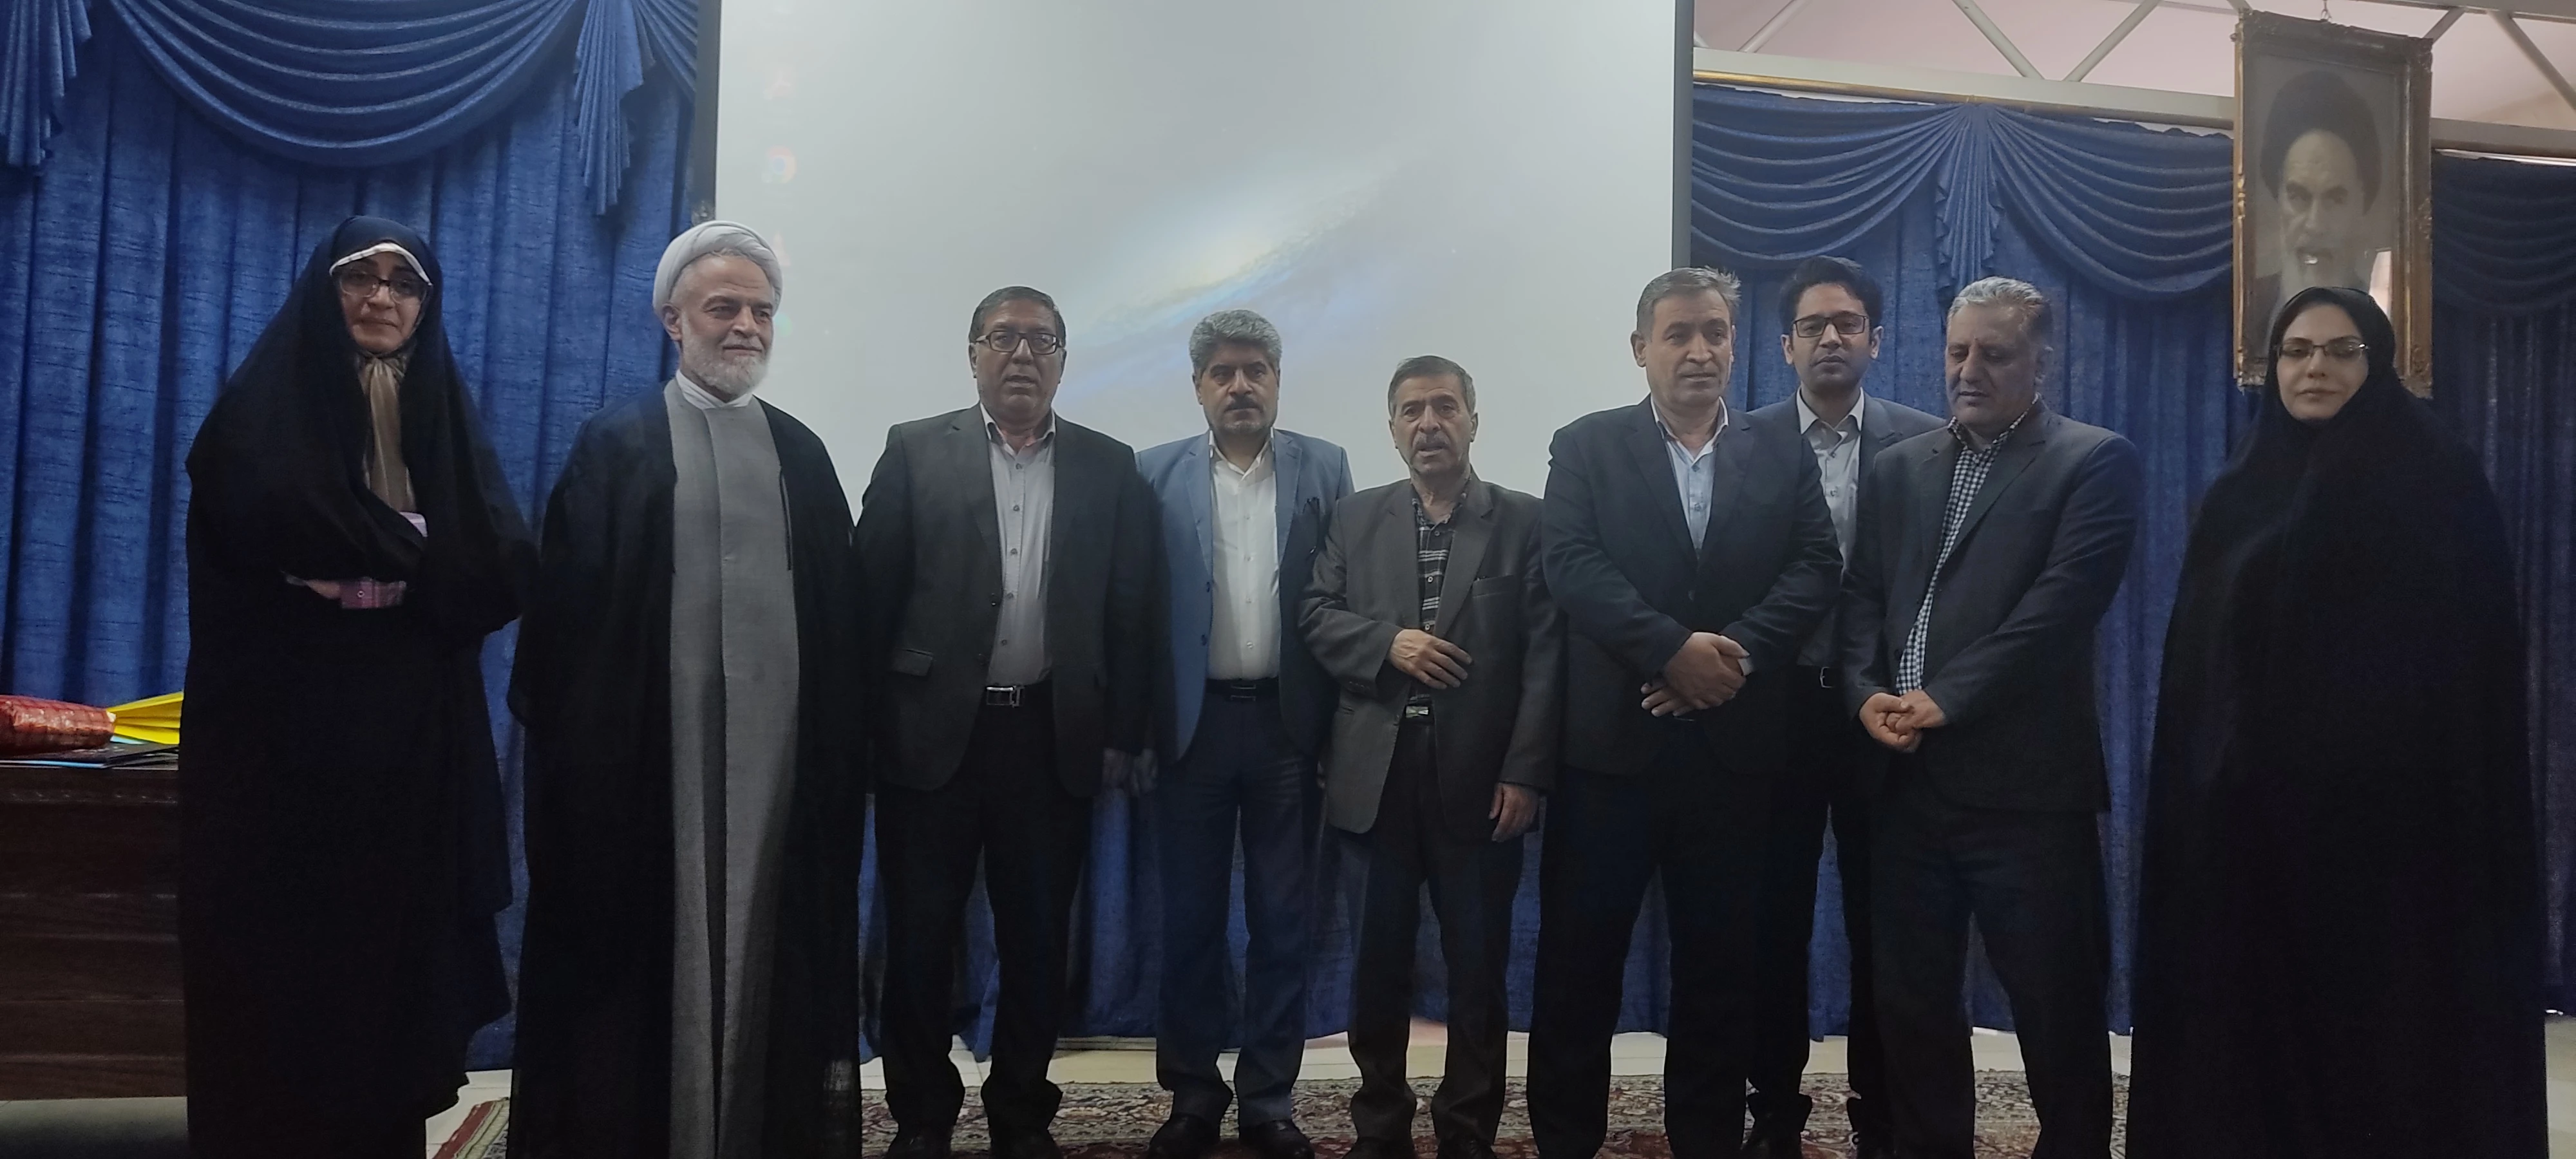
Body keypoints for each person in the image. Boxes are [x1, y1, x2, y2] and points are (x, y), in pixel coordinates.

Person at [2126, 287, 2545, 1158]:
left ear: (2378, 363)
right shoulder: (2239, 491)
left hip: (2394, 841)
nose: (2315, 368)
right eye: (2296, 350)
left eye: (2341, 350)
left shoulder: (2438, 481)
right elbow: (2201, 673)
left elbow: (2466, 677)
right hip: (2251, 833)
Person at [507, 221, 863, 1158]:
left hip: (780, 770)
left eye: (762, 312)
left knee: (771, 948)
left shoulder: (802, 456)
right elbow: (564, 633)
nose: (746, 326)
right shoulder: (616, 446)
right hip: (646, 773)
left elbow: (841, 628)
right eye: (724, 308)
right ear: (674, 320)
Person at [180, 216, 531, 1157]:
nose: (381, 298)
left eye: (404, 284)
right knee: (286, 977)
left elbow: (499, 565)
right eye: (360, 278)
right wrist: (418, 549)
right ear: (323, 289)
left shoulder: (441, 409)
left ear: (427, 305)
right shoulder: (266, 405)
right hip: (284, 745)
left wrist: (370, 566)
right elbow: (273, 511)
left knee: (391, 977)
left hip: (410, 745)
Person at [1528, 267, 1841, 1159]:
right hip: (1610, 756)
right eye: (1678, 334)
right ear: (1641, 349)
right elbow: (1572, 565)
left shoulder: (1780, 449)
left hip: (1734, 757)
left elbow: (1815, 567)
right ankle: (1565, 1140)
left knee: (1721, 969)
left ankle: (1706, 1138)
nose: (1699, 350)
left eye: (1714, 332)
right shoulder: (1586, 445)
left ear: (1735, 344)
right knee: (1580, 968)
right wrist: (1672, 650)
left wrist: (1729, 656)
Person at [1837, 276, 2141, 1159]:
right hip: (1903, 783)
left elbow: (2059, 610)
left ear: (2041, 360)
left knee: (2054, 1005)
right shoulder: (1898, 468)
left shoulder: (2092, 461)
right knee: (1911, 1007)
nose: (1969, 370)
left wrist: (1949, 697)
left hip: (2024, 794)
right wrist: (1863, 692)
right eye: (1957, 351)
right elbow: (1861, 601)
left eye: (1994, 354)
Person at [856, 286, 1156, 1159]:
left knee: (1036, 943)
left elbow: (1131, 610)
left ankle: (1022, 1115)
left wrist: (1122, 734)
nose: (1022, 354)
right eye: (1003, 337)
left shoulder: (1108, 464)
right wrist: (862, 733)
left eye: (1041, 341)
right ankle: (922, 1117)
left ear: (1063, 360)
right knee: (920, 939)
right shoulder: (915, 450)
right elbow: (869, 601)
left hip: (1048, 738)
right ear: (972, 354)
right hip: (928, 739)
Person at [1302, 356, 1562, 1159]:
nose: (1429, 424)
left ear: (1473, 420)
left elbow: (1546, 655)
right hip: (1373, 777)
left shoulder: (1525, 520)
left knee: (1476, 968)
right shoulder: (1353, 517)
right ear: (1391, 429)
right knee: (1375, 965)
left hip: (1481, 782)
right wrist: (1389, 643)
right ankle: (1380, 1125)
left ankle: (1467, 1129)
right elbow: (1315, 614)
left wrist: (1524, 771)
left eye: (1445, 407)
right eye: (1411, 410)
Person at [1135, 310, 1352, 1159]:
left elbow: (1345, 598)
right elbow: (1135, 609)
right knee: (1189, 925)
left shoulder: (1324, 467)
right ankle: (1192, 1096)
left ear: (1277, 380)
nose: (1239, 386)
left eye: (1255, 370)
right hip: (1190, 732)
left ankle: (1269, 1099)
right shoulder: (1152, 472)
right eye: (1222, 373)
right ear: (1198, 386)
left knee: (1283, 924)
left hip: (1286, 729)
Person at [1741, 258, 1942, 1159]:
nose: (1830, 338)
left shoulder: (1923, 443)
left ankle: (1880, 1118)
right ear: (1785, 345)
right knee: (1771, 922)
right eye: (1813, 325)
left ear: (1877, 339)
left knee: (1882, 924)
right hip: (1773, 711)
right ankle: (1773, 1113)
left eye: (1847, 323)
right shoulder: (1742, 442)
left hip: (1882, 713)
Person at [2247, 68, 2387, 332]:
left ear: (2361, 204)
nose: (2315, 225)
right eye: (2299, 197)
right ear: (2278, 199)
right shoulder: (2249, 306)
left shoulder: (2381, 317)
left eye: (2335, 199)